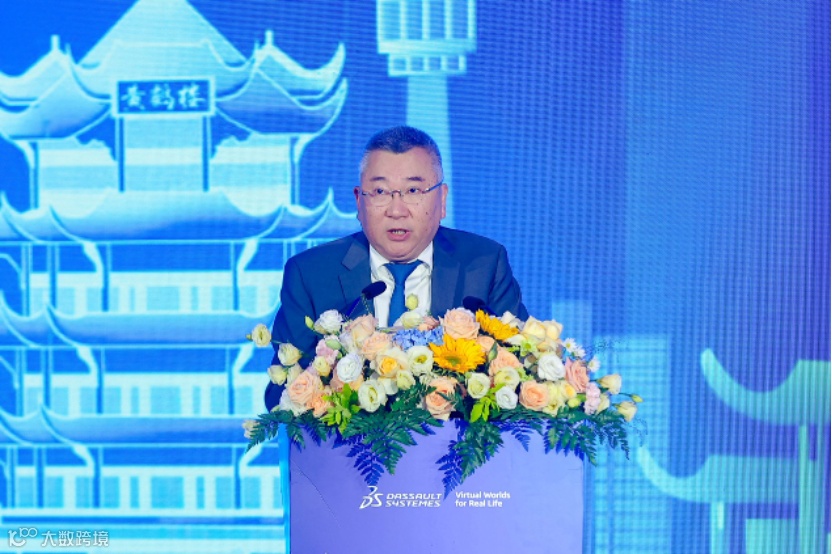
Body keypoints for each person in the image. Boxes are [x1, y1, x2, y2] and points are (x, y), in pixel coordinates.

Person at [265, 126, 527, 410]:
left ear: (442, 200)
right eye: (380, 191)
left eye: (413, 190)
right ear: (359, 201)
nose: (397, 210)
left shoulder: (484, 265)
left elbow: (522, 372)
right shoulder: (311, 274)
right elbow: (280, 394)